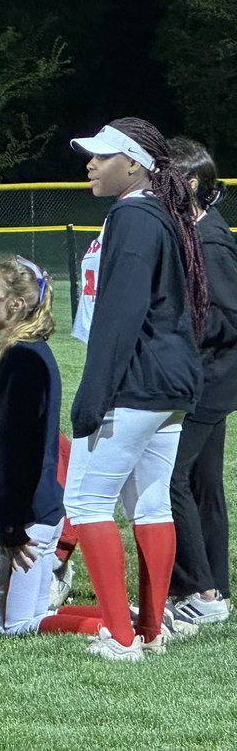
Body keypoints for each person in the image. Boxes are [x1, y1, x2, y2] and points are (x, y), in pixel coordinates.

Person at [65, 118, 206, 662]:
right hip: (170, 379)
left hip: (139, 380)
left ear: (133, 163)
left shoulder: (132, 214)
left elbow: (121, 313)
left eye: (102, 156)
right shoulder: (159, 212)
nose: (90, 164)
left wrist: (94, 392)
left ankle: (122, 638)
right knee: (150, 503)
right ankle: (150, 629)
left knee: (88, 501)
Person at [0, 257, 102, 637]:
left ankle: (115, 626)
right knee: (31, 615)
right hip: (36, 509)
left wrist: (12, 525)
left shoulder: (23, 358)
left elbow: (20, 451)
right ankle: (130, 617)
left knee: (14, 626)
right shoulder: (24, 350)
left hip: (28, 514)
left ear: (15, 304)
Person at [165, 137, 237, 626]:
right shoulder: (194, 230)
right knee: (203, 482)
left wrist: (173, 324)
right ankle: (218, 590)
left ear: (190, 183)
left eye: (164, 178)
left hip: (213, 379)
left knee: (172, 478)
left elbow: (229, 317)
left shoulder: (209, 240)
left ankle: (199, 590)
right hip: (210, 376)